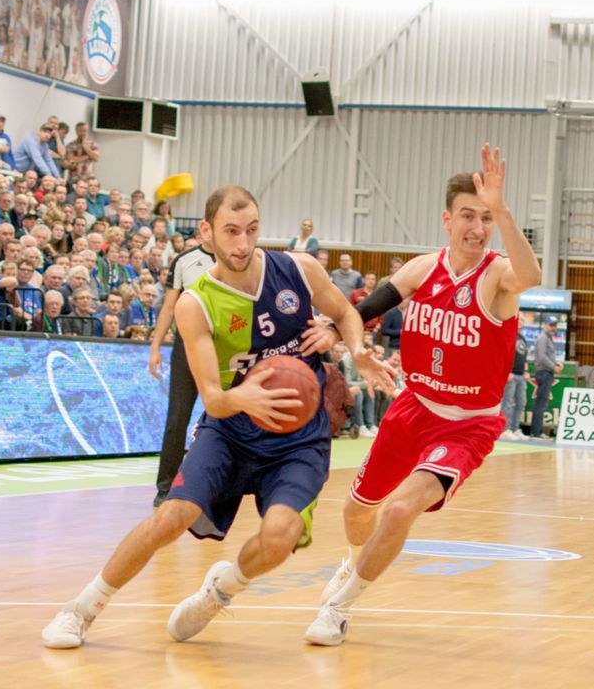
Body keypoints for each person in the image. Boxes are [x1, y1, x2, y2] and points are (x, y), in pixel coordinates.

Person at [42, 184, 392, 651]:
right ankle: (80, 609)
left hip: (298, 437)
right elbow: (213, 398)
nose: (243, 243)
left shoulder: (299, 269)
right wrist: (244, 396)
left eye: (251, 230)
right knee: (171, 517)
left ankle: (221, 589)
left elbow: (346, 312)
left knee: (281, 537)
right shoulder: (196, 303)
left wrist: (348, 343)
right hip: (232, 428)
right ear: (207, 233)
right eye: (231, 231)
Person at [305, 144, 541, 647]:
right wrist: (336, 331)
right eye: (468, 216)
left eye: (485, 218)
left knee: (398, 510)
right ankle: (353, 563)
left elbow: (532, 276)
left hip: (467, 425)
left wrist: (502, 209)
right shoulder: (422, 269)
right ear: (447, 220)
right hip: (413, 409)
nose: (477, 227)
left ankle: (340, 608)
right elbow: (367, 306)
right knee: (355, 512)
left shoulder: (498, 275)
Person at [146, 227, 215, 506]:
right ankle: (165, 487)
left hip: (222, 349)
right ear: (205, 230)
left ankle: (221, 485)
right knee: (177, 418)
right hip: (186, 348)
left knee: (224, 419)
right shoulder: (184, 261)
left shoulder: (236, 261)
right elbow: (168, 308)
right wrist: (155, 347)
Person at [528, 317, 563, 439]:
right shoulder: (543, 338)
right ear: (545, 325)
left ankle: (536, 431)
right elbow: (542, 357)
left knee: (542, 403)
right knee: (540, 404)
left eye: (555, 325)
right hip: (544, 373)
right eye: (551, 325)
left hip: (546, 372)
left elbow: (546, 356)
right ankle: (536, 432)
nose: (553, 328)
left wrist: (556, 363)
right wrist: (554, 367)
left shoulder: (548, 338)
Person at [500, 331, 530, 441]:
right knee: (508, 403)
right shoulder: (508, 335)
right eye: (519, 321)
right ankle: (504, 430)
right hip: (511, 374)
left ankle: (515, 428)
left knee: (521, 402)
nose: (520, 323)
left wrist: (526, 371)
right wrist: (506, 372)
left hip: (521, 375)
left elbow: (524, 357)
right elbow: (503, 354)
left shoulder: (522, 338)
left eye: (522, 322)